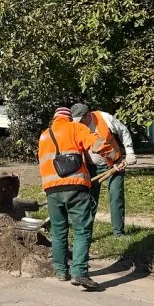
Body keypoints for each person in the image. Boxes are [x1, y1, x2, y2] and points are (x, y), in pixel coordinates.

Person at [37, 107, 117, 290]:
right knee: (82, 230)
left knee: (58, 230)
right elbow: (97, 144)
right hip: (75, 186)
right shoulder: (75, 128)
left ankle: (60, 270)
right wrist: (114, 155)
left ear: (55, 118)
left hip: (51, 190)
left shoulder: (44, 136)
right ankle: (79, 273)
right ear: (69, 118)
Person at [70, 103, 137, 237]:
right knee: (90, 199)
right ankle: (85, 232)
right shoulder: (75, 126)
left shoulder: (104, 118)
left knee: (116, 197)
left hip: (115, 164)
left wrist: (129, 152)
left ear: (88, 115)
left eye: (81, 120)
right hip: (91, 167)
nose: (79, 124)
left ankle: (118, 232)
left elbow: (123, 131)